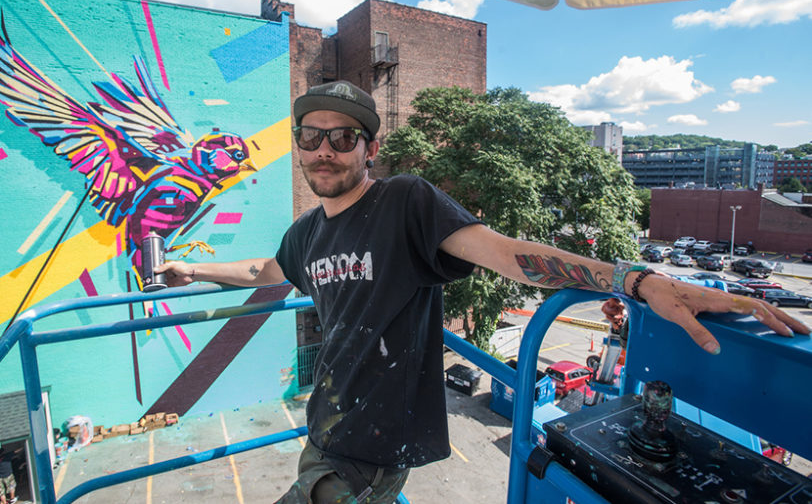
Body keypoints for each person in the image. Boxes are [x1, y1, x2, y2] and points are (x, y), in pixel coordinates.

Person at [156, 80, 809, 503]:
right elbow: (264, 273)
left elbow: (511, 256)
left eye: (343, 136)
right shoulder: (305, 235)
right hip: (323, 430)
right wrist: (192, 270)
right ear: (298, 146)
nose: (325, 149)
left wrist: (633, 278)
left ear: (369, 146)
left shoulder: (404, 203)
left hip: (368, 450)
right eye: (312, 136)